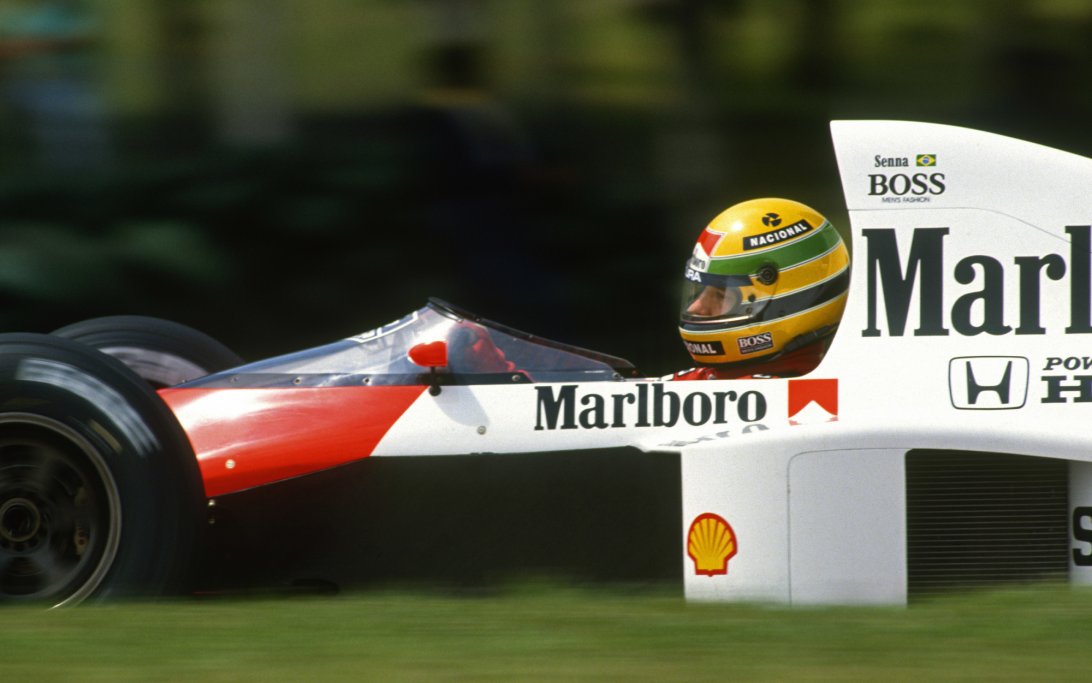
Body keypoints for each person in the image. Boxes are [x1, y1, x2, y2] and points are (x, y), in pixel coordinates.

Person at [671, 198, 850, 380]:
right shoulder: (707, 382)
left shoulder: (785, 401)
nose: (696, 308)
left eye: (721, 295)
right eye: (702, 291)